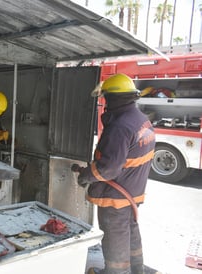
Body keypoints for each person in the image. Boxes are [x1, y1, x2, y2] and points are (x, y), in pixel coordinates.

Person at [76, 74, 156, 274]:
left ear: (113, 98)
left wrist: (86, 176)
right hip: (132, 191)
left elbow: (108, 169)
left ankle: (116, 272)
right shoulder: (140, 119)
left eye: (106, 98)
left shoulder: (120, 126)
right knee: (130, 230)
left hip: (116, 196)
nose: (105, 103)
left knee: (115, 234)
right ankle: (137, 269)